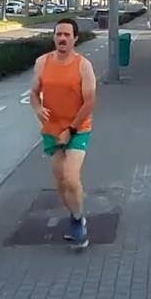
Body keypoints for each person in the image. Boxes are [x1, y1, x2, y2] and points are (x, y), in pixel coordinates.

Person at [30, 17, 96, 250]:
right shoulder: (42, 63)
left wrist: (72, 129)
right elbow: (34, 93)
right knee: (60, 183)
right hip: (52, 130)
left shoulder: (83, 65)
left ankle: (78, 222)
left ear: (75, 39)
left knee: (70, 177)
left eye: (67, 35)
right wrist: (38, 108)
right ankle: (74, 213)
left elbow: (89, 101)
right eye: (59, 34)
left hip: (78, 128)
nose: (62, 38)